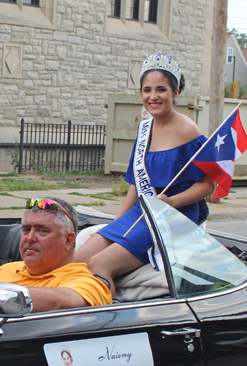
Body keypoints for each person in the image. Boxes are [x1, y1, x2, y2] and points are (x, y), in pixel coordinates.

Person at [74, 52, 215, 296]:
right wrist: (116, 223)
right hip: (144, 209)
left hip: (173, 214)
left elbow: (207, 185)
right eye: (147, 90)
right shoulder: (145, 128)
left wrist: (171, 201)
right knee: (78, 259)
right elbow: (136, 186)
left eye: (161, 89)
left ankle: (101, 321)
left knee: (99, 265)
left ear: (175, 92)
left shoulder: (189, 131)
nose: (153, 96)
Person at [0, 197, 112, 321]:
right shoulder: (7, 269)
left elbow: (64, 302)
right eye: (26, 230)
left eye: (42, 231)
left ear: (68, 241)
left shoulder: (87, 282)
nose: (30, 238)